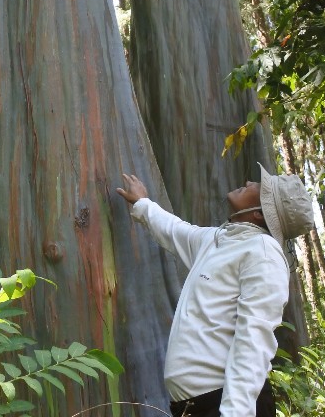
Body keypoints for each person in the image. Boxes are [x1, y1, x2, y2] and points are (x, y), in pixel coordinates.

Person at [116, 165, 314, 417]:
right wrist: (143, 204)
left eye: (261, 188)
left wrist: (234, 413)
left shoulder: (263, 253)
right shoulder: (220, 240)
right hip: (195, 407)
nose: (250, 182)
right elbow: (175, 230)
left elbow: (254, 338)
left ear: (260, 214)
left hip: (226, 405)